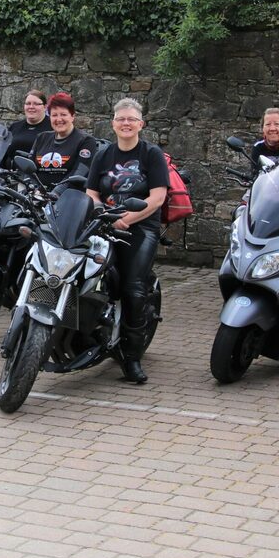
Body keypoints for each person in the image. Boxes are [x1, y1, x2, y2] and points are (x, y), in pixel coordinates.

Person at [86, 98, 168, 385]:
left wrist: (127, 218)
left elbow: (157, 198)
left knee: (133, 288)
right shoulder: (103, 154)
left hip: (140, 227)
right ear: (113, 123)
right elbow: (92, 193)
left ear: (140, 124)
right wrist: (100, 212)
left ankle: (131, 356)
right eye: (121, 119)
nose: (126, 123)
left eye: (131, 119)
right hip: (105, 223)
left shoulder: (151, 154)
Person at [30, 92, 98, 190]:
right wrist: (34, 190)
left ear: (72, 116)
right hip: (36, 197)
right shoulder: (42, 137)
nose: (59, 119)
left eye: (63, 114)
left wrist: (56, 193)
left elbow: (80, 172)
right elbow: (28, 170)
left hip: (67, 198)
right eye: (54, 115)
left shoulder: (86, 141)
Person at [7, 89, 51, 165]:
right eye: (28, 103)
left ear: (45, 107)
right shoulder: (15, 127)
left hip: (39, 174)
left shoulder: (52, 127)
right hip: (13, 174)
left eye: (36, 104)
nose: (31, 107)